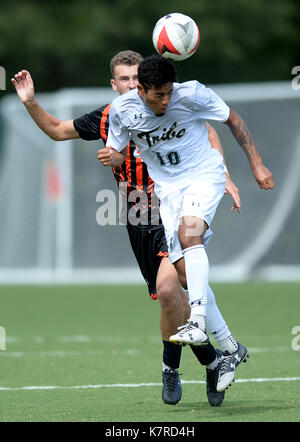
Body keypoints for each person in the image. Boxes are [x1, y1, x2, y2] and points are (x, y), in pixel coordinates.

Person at [12, 51, 244, 407]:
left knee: (172, 291)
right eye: (124, 79)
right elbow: (58, 130)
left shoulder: (167, 105)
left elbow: (208, 130)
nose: (132, 85)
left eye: (137, 79)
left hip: (174, 204)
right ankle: (214, 360)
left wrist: (222, 175)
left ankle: (181, 366)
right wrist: (30, 102)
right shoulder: (109, 117)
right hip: (139, 218)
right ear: (114, 84)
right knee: (171, 297)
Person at [99, 53, 274, 391]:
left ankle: (195, 319)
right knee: (182, 273)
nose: (165, 100)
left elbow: (233, 121)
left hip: (203, 176)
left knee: (189, 234)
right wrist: (112, 156)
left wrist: (256, 164)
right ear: (141, 90)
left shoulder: (192, 94)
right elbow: (119, 151)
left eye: (169, 93)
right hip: (168, 190)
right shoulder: (123, 110)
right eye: (158, 95)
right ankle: (231, 348)